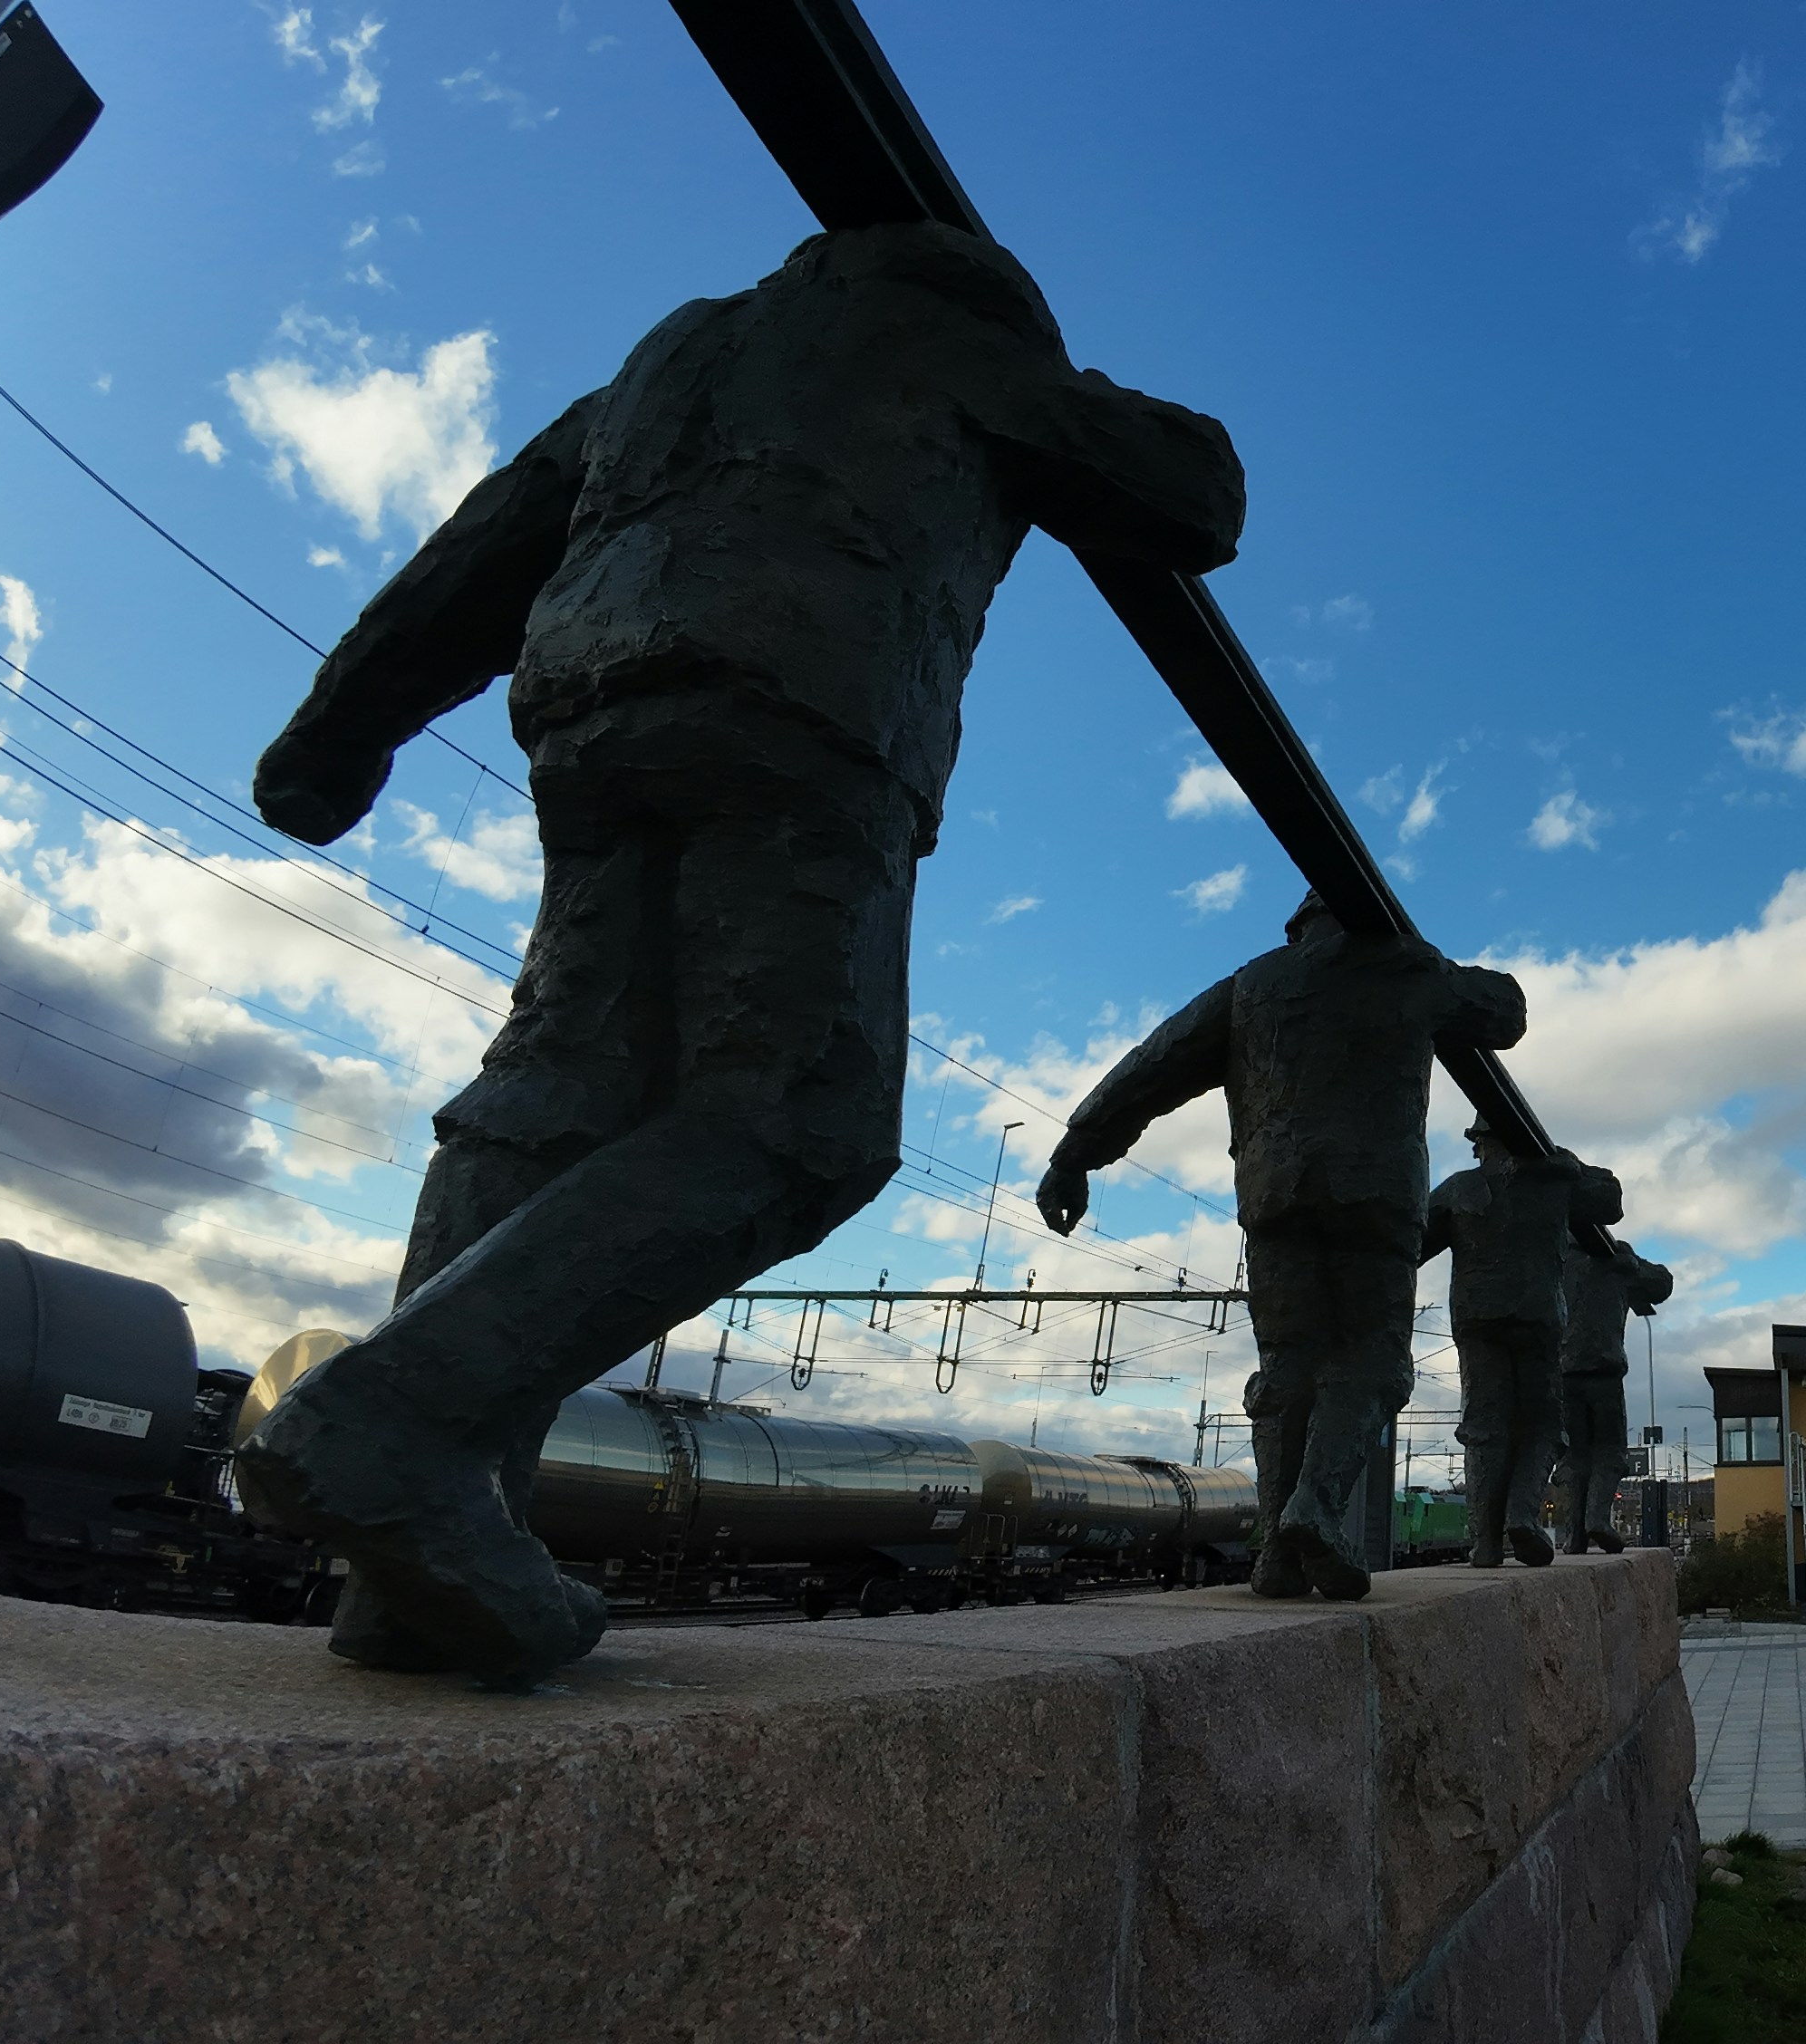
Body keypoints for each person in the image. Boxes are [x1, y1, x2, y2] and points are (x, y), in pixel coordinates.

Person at [237, 223, 1241, 1687]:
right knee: (800, 1122)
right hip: (804, 707)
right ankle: (391, 1420)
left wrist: (338, 733)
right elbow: (1199, 495)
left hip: (588, 711)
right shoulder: (956, 345)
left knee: (547, 1096)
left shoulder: (669, 365)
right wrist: (1056, 386)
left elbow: (479, 549)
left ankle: (417, 1578)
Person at [1038, 892, 1524, 1600]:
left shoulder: (1252, 985)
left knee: (1288, 1365)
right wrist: (1416, 948)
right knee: (1374, 1360)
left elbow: (1152, 1065)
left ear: (1295, 930)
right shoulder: (1408, 967)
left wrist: (1074, 1154)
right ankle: (1313, 1509)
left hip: (1275, 1195)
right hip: (1374, 1195)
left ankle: (1275, 1557)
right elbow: (1506, 1013)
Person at [1425, 1124, 1621, 1567]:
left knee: (1482, 1426)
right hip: (1538, 1318)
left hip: (1476, 1319)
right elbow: (1610, 1200)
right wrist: (1564, 1160)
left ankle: (1486, 1542)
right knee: (1544, 1425)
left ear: (1480, 1147)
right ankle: (1521, 1515)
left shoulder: (1461, 1188)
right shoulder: (1553, 1181)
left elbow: (1414, 1240)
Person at [1555, 1236, 1674, 1553]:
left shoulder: (1556, 1260)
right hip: (1603, 1368)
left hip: (1563, 1371)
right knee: (1609, 1449)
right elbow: (1662, 1284)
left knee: (1573, 1453)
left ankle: (1574, 1536)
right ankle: (1596, 1519)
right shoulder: (1613, 1259)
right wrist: (1628, 1257)